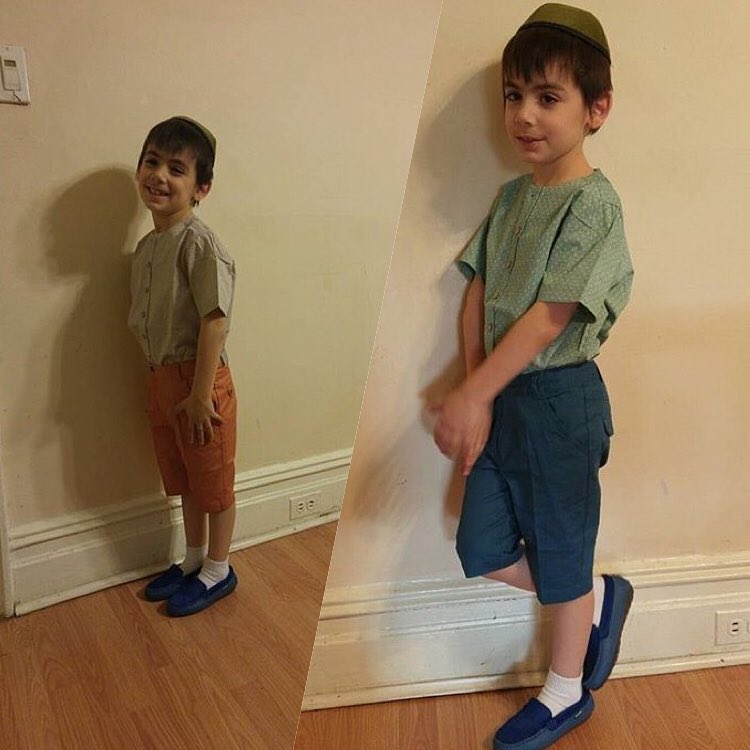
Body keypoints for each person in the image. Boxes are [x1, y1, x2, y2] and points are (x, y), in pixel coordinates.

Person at [432, 5, 634, 748]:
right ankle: (599, 595)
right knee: (482, 548)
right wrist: (478, 391)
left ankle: (565, 690)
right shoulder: (513, 197)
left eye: (548, 97)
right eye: (513, 95)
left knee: (562, 549)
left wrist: (471, 393)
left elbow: (550, 317)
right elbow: (478, 292)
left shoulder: (594, 203)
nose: (524, 114)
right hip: (503, 399)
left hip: (559, 404)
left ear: (595, 109)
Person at [128, 116, 238, 617]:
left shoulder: (199, 243)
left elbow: (215, 320)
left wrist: (198, 395)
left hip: (200, 382)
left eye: (177, 168)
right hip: (162, 381)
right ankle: (193, 558)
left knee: (213, 481)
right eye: (152, 162)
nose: (159, 176)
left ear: (201, 188)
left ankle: (218, 568)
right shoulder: (147, 248)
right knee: (185, 477)